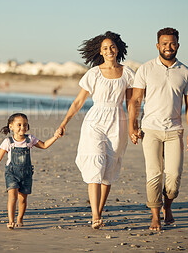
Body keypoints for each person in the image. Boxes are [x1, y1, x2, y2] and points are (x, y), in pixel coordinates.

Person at [57, 31, 134, 229]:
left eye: (112, 47)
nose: (109, 50)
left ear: (118, 48)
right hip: (95, 121)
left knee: (109, 168)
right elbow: (78, 101)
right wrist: (64, 122)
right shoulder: (93, 73)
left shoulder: (127, 73)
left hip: (118, 121)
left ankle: (99, 210)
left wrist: (134, 126)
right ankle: (95, 215)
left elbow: (132, 103)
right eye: (105, 48)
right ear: (100, 52)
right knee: (95, 165)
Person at [128, 27, 188, 231]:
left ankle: (168, 206)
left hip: (175, 130)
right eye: (164, 43)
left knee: (173, 177)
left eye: (172, 43)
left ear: (178, 45)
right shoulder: (146, 69)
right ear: (157, 45)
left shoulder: (186, 72)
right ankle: (155, 216)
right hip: (150, 130)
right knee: (154, 173)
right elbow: (135, 99)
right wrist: (133, 126)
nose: (168, 47)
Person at [0, 113, 60, 229]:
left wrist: (55, 136)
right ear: (11, 126)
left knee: (23, 199)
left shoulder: (30, 139)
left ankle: (20, 218)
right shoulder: (8, 141)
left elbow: (45, 145)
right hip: (12, 173)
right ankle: (11, 221)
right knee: (12, 197)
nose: (22, 127)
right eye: (19, 125)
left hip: (26, 174)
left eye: (25, 125)